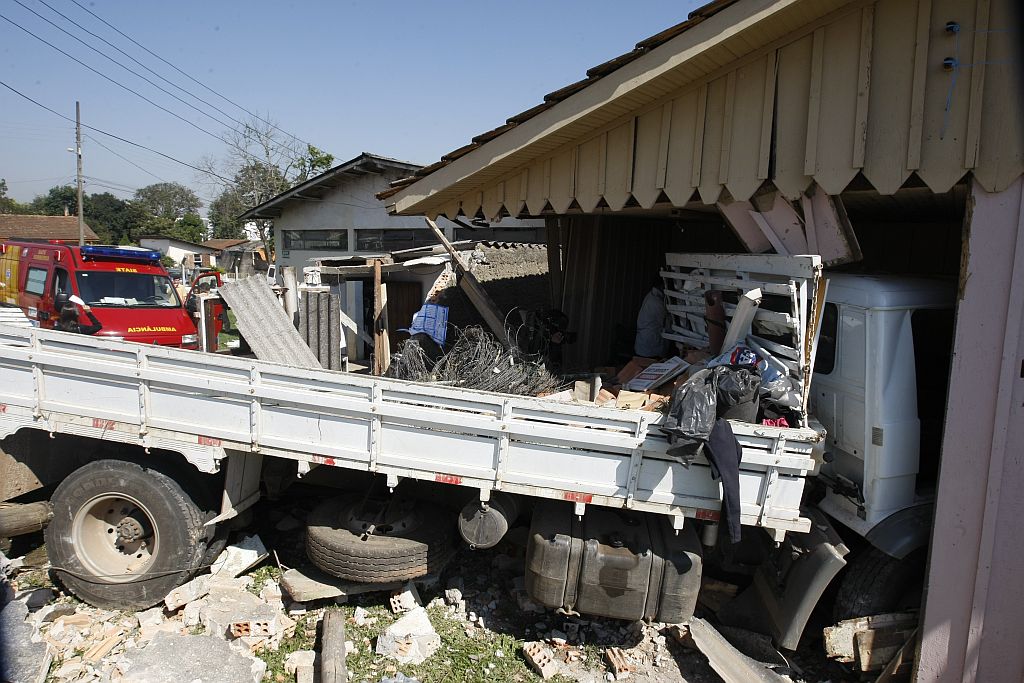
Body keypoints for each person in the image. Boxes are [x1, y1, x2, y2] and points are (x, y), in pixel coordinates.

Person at [634, 278, 670, 358]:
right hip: (650, 346)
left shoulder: (651, 296)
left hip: (645, 343)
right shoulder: (656, 302)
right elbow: (668, 326)